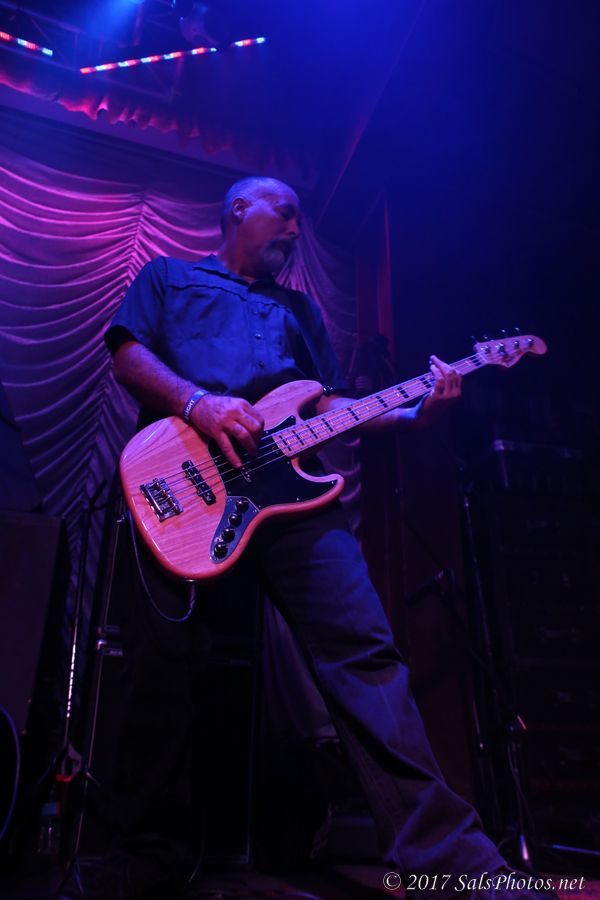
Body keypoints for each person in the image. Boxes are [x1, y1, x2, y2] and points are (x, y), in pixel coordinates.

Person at [59, 177, 546, 900]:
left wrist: (416, 415)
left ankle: (452, 865)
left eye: (298, 218)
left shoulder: (300, 311)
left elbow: (331, 405)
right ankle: (148, 858)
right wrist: (200, 403)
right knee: (162, 666)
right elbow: (129, 356)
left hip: (291, 500)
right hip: (185, 485)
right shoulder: (167, 277)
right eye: (283, 211)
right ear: (237, 209)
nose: (295, 226)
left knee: (365, 652)